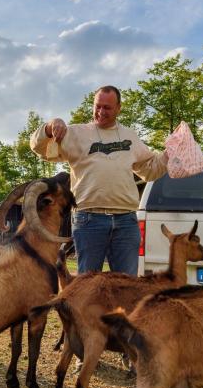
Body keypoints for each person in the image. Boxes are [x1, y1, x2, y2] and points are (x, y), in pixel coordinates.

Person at [30, 85, 168, 275]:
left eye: (107, 108)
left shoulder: (130, 136)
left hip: (126, 221)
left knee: (126, 284)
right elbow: (39, 148)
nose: (101, 112)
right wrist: (49, 127)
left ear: (118, 108)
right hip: (89, 219)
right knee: (87, 285)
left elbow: (150, 171)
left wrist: (168, 155)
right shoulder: (75, 133)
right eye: (97, 106)